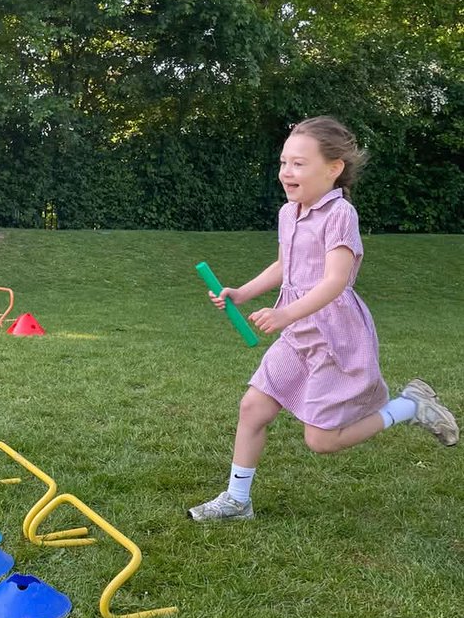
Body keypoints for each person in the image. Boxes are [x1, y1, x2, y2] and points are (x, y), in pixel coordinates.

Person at [189, 115, 459, 522]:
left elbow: (335, 281)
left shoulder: (339, 216)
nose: (286, 172)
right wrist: (241, 292)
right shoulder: (289, 212)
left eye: (299, 163)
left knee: (321, 441)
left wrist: (284, 313)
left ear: (334, 169)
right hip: (298, 332)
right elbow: (286, 264)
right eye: (283, 162)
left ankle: (408, 407)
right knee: (253, 408)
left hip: (335, 335)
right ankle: (237, 500)